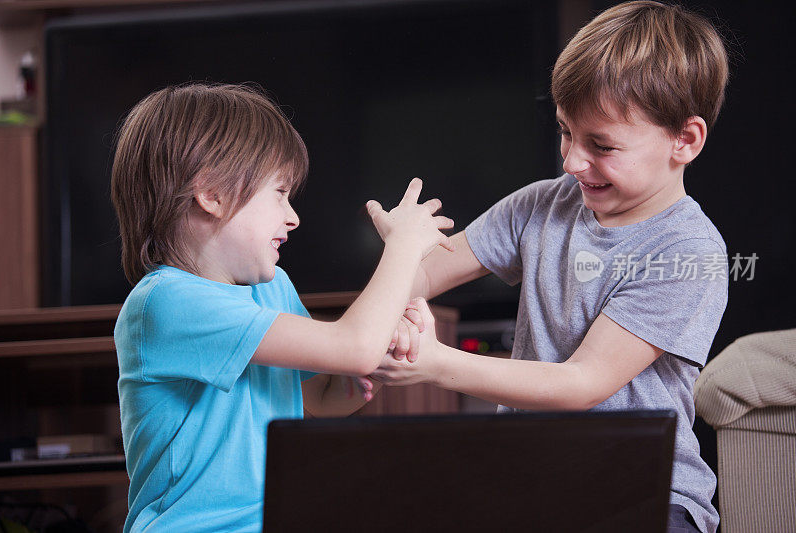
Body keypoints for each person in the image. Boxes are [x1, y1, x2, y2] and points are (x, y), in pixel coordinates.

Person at [368, 2, 730, 532]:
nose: (572, 161)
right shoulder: (542, 205)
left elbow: (580, 384)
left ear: (685, 140)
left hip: (644, 491)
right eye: (565, 132)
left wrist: (434, 361)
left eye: (601, 145)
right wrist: (402, 257)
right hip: (527, 473)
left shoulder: (687, 251)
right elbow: (421, 275)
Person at [111, 83, 453, 532]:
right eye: (279, 193)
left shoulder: (271, 288)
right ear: (211, 193)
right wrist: (403, 247)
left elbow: (318, 396)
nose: (292, 216)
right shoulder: (165, 302)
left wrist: (378, 356)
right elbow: (352, 346)